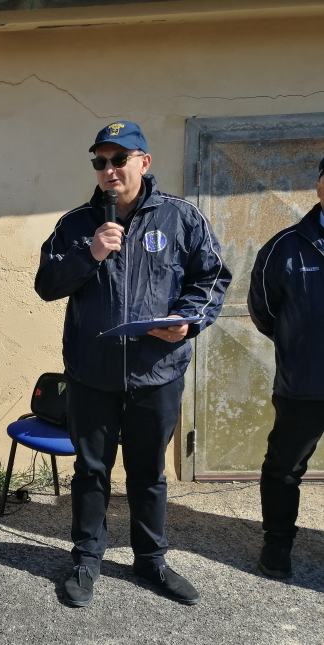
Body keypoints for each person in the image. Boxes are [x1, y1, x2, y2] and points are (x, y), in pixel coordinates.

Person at [35, 121, 231, 608]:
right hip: (92, 373)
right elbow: (46, 284)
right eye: (100, 161)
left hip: (156, 372)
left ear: (144, 162)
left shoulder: (181, 218)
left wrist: (189, 322)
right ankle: (85, 559)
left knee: (148, 472)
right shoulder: (76, 224)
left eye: (119, 159)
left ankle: (151, 560)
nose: (109, 170)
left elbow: (211, 278)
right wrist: (91, 252)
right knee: (91, 471)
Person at [247, 156, 324, 580]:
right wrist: (297, 344)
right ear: (318, 185)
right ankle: (277, 545)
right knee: (284, 468)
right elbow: (263, 309)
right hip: (303, 385)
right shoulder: (285, 247)